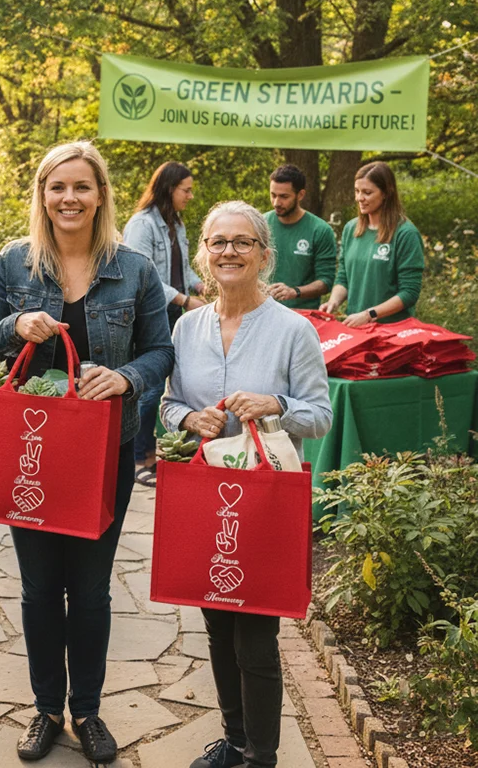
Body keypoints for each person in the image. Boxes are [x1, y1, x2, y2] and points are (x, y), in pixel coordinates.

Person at [0, 141, 174, 764]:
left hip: (102, 450)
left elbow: (161, 352)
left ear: (101, 195)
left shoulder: (135, 269)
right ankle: (45, 710)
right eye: (57, 187)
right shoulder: (14, 264)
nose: (69, 199)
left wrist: (127, 379)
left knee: (89, 589)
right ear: (42, 195)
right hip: (29, 454)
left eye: (81, 187)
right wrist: (13, 328)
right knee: (37, 590)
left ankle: (86, 710)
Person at [160, 200, 331, 768]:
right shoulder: (187, 327)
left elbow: (320, 415)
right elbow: (168, 405)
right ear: (203, 254)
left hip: (264, 503)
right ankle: (234, 743)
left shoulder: (292, 330)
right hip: (207, 496)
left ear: (263, 254)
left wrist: (276, 405)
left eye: (241, 242)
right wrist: (188, 419)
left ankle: (263, 755)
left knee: (254, 636)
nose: (229, 251)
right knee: (215, 623)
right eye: (218, 242)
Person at [122, 161, 205, 483]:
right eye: (186, 189)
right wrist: (185, 299)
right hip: (149, 313)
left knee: (174, 384)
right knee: (150, 386)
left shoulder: (177, 223)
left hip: (174, 312)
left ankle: (158, 455)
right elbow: (144, 274)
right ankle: (139, 460)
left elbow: (182, 270)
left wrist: (199, 285)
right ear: (170, 189)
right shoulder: (142, 224)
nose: (191, 195)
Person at [320, 161, 424, 327]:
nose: (359, 198)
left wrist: (370, 314)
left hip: (391, 330)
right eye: (357, 191)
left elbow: (409, 292)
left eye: (367, 192)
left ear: (386, 193)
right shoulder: (351, 229)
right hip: (356, 326)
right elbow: (344, 277)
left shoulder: (405, 234)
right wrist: (333, 302)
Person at [264, 164, 337, 310]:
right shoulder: (261, 224)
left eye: (284, 196)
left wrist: (294, 292)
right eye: (273, 195)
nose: (277, 202)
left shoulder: (320, 230)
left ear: (301, 195)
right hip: (262, 311)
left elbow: (325, 281)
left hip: (302, 314)